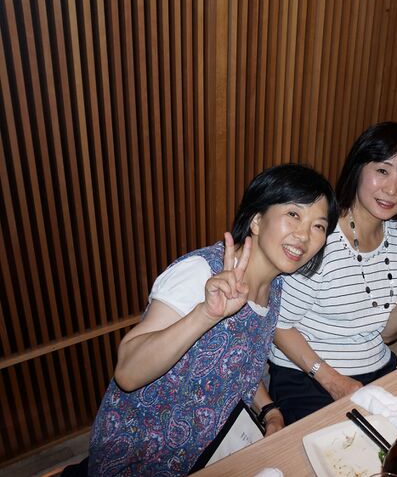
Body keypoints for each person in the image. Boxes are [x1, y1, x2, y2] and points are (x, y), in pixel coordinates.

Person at [88, 164, 338, 476]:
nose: (303, 235)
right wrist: (205, 314)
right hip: (141, 456)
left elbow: (236, 367)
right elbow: (127, 373)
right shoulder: (202, 272)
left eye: (318, 226)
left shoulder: (275, 288)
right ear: (257, 220)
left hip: (209, 454)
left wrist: (269, 410)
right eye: (293, 214)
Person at [268, 122, 397, 423]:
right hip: (308, 375)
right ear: (357, 169)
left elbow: (387, 335)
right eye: (382, 170)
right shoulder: (319, 236)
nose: (392, 189)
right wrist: (332, 381)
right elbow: (278, 326)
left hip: (374, 368)